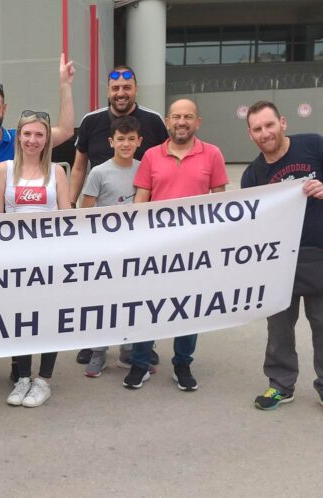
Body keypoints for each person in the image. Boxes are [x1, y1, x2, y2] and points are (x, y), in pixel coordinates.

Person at [241, 100, 323, 419]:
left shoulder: (313, 146)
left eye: (269, 125)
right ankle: (281, 385)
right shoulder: (252, 175)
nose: (265, 133)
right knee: (279, 327)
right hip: (279, 261)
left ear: (282, 123)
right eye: (257, 129)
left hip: (322, 253)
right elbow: (252, 223)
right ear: (250, 134)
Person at [125, 98, 229, 391]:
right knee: (147, 305)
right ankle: (140, 363)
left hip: (195, 250)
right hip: (156, 248)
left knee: (188, 309)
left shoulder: (212, 154)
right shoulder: (151, 156)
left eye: (188, 117)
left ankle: (182, 363)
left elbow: (220, 201)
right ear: (167, 122)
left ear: (198, 122)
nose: (181, 122)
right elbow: (141, 199)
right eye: (176, 117)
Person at [71, 65, 168, 367]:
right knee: (98, 290)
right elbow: (79, 166)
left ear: (136, 89)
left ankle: (140, 344)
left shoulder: (153, 121)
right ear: (108, 91)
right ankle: (94, 344)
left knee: (139, 288)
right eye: (115, 88)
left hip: (141, 227)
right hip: (102, 228)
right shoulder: (91, 121)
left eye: (127, 87)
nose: (121, 93)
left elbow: (164, 164)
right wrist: (72, 207)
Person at [0, 110, 71, 408]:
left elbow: (67, 218)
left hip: (50, 260)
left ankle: (43, 380)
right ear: (18, 137)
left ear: (47, 139)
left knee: (49, 319)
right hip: (15, 260)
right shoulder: (3, 170)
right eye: (27, 134)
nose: (32, 140)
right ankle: (22, 377)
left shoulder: (57, 172)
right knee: (20, 319)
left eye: (39, 134)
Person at [0, 53, 75, 216]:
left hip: (13, 227)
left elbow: (66, 131)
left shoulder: (23, 139)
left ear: (4, 108)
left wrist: (65, 85)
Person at [76, 116, 142, 378]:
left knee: (130, 299)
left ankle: (128, 350)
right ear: (111, 142)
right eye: (120, 139)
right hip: (105, 250)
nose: (126, 144)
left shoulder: (144, 169)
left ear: (139, 141)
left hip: (134, 249)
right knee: (103, 301)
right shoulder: (99, 173)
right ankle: (98, 351)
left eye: (131, 139)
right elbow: (86, 212)